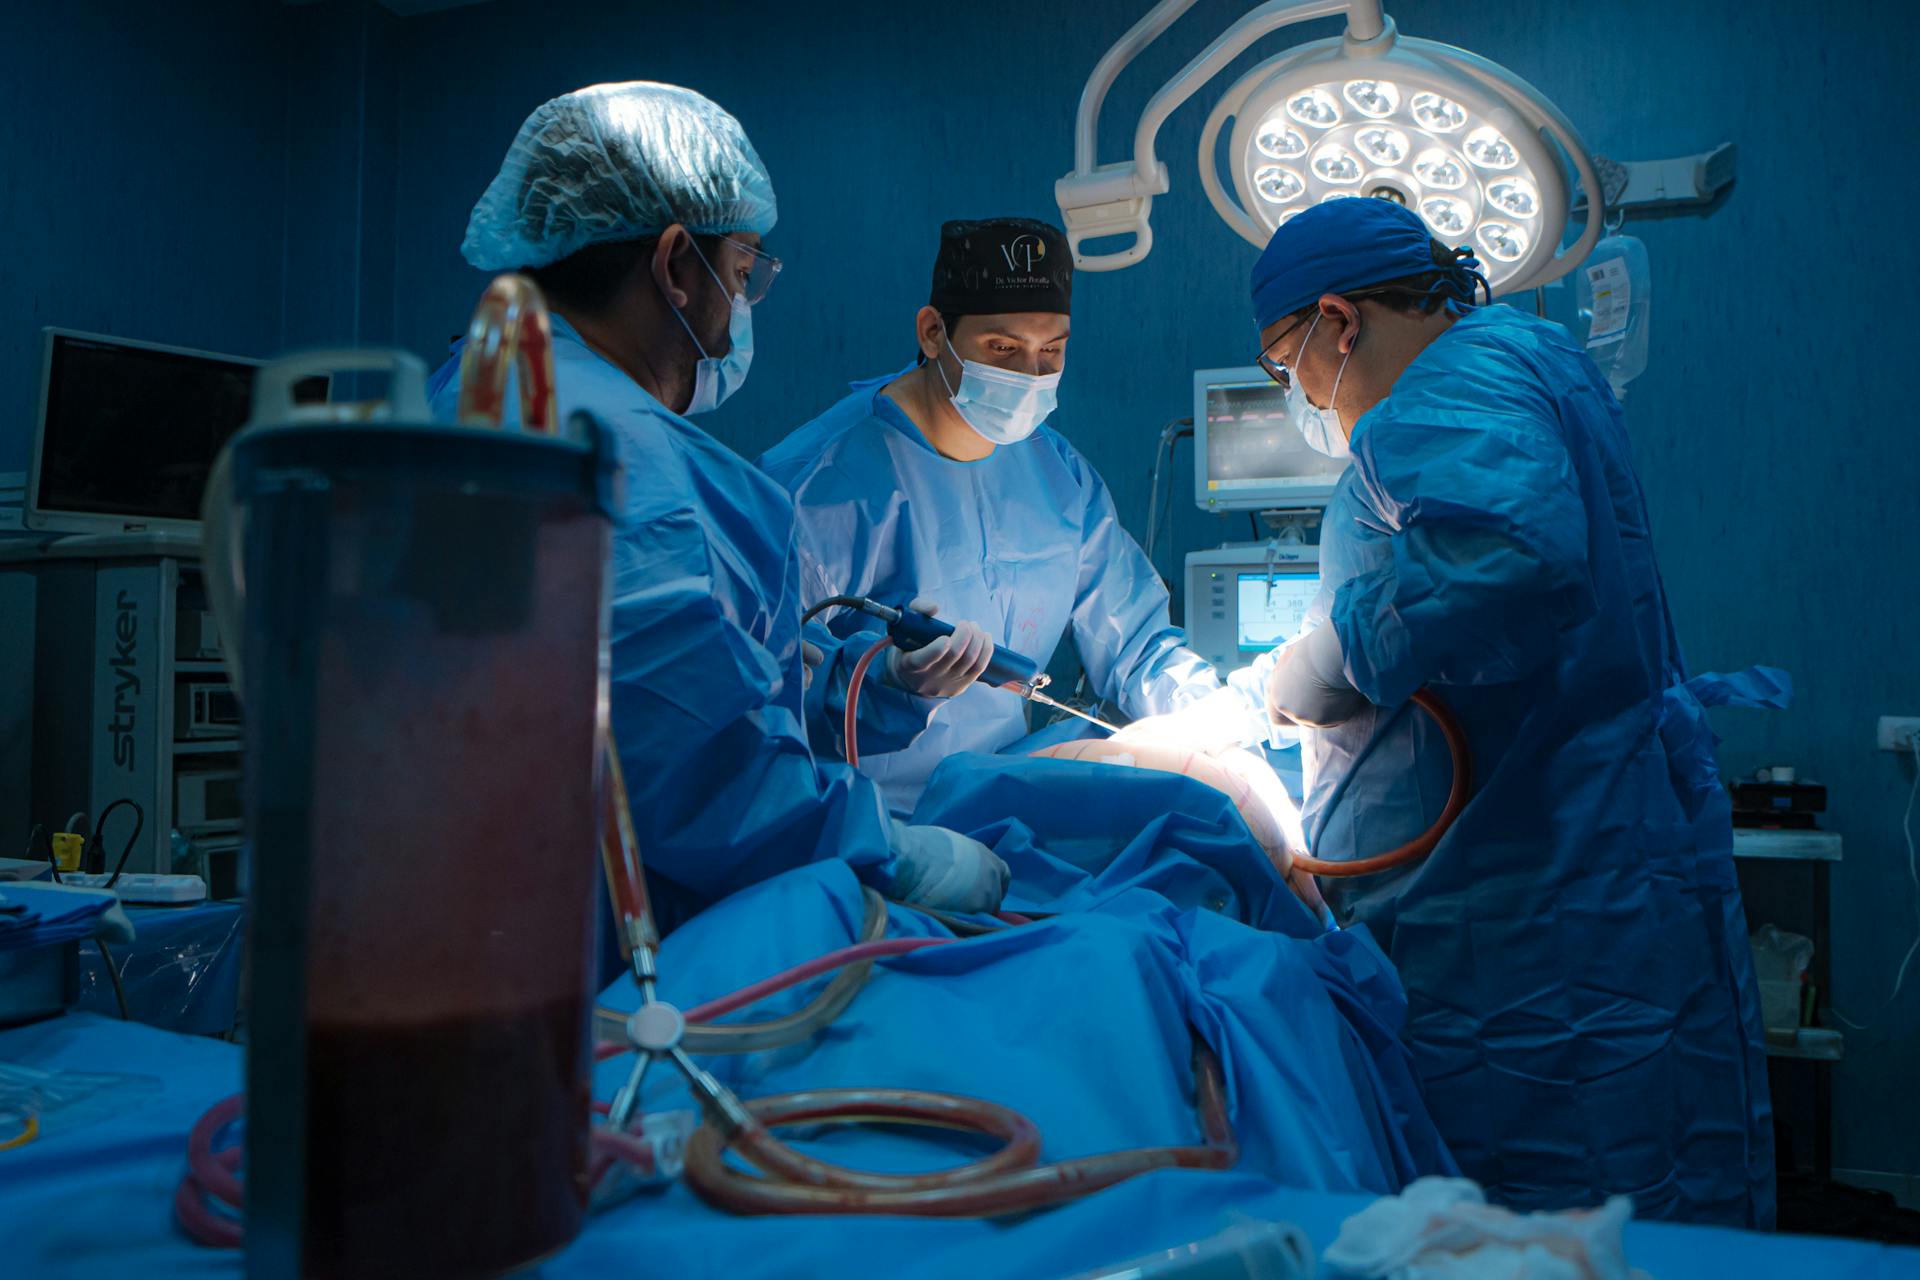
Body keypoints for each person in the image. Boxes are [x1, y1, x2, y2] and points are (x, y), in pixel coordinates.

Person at [1127, 197, 1778, 1227]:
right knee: (1639, 1190)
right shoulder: (1531, 357)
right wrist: (1294, 677)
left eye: (1286, 363)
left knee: (1533, 1203)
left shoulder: (1444, 391)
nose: (1295, 392)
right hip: (1580, 854)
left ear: (1340, 321)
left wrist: (1339, 652)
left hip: (1523, 909)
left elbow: (1511, 558)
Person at [428, 82, 1008, 932]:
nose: (744, 306)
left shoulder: (464, 401)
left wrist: (872, 682)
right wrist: (902, 856)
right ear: (673, 267)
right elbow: (703, 777)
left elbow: (664, 688)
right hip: (612, 969)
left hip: (443, 926)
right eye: (742, 272)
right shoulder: (630, 461)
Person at [759, 217, 1221, 814]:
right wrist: (886, 683)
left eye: (1051, 350)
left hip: (1004, 796)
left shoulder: (1059, 476)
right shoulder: (813, 487)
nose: (1030, 376)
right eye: (1002, 348)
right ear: (932, 332)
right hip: (870, 824)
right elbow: (765, 697)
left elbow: (1133, 638)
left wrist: (1205, 711)